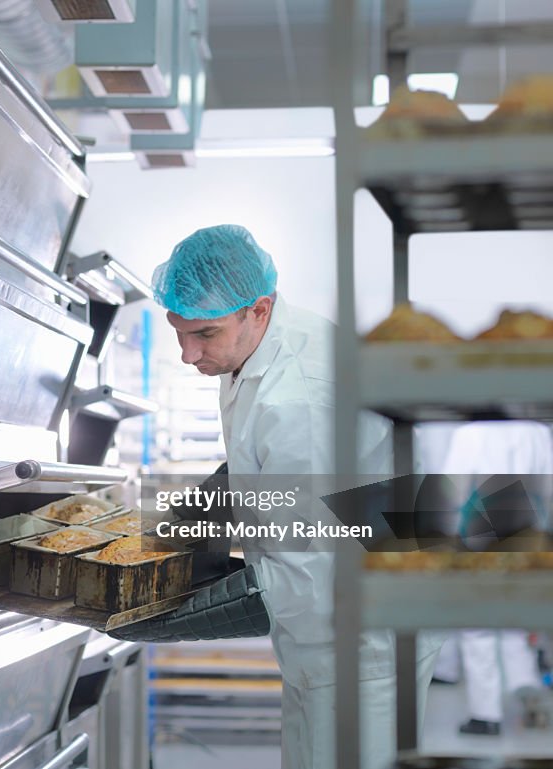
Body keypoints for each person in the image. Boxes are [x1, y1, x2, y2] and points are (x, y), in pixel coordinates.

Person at [118, 225, 441, 769]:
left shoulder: (302, 395)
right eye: (179, 331)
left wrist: (167, 616)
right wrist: (182, 524)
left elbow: (305, 569)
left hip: (360, 641)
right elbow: (261, 464)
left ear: (258, 310)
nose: (187, 353)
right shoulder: (254, 348)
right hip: (320, 631)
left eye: (204, 335)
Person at [440, 421, 553, 736]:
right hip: (529, 531)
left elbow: (452, 489)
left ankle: (485, 713)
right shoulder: (537, 430)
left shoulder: (470, 431)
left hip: (481, 534)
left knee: (477, 624)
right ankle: (526, 691)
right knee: (518, 616)